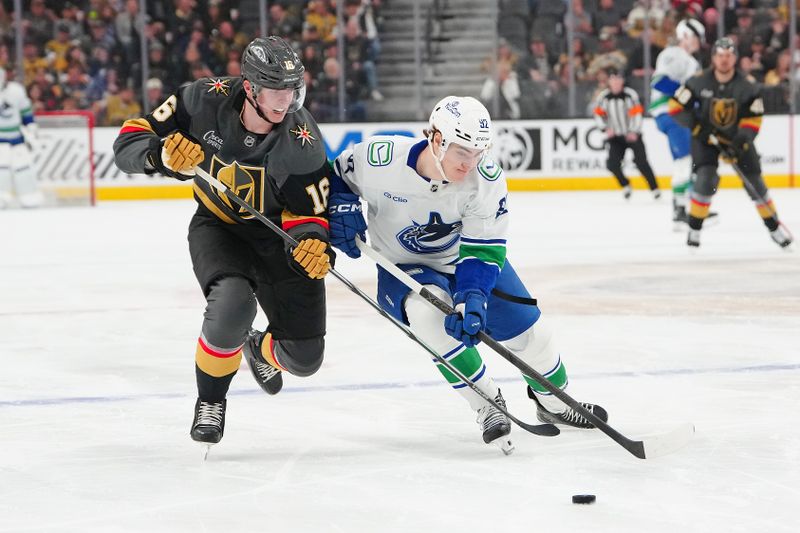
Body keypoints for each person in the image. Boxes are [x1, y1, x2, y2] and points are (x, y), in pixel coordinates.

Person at [327, 96, 608, 453]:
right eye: (463, 152)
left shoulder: (485, 180)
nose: (471, 162)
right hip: (404, 267)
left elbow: (483, 249)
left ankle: (554, 402)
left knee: (533, 336)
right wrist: (342, 204)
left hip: (465, 261)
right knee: (428, 317)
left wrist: (472, 296)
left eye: (479, 152)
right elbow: (336, 175)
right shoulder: (380, 158)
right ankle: (488, 404)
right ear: (436, 139)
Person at [113, 37, 335, 448]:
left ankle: (256, 347)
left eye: (292, 89)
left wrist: (311, 242)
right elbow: (128, 140)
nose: (286, 101)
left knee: (304, 358)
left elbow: (310, 213)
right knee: (232, 304)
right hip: (219, 227)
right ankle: (211, 400)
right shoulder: (201, 100)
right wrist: (160, 156)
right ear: (249, 87)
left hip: (276, 237)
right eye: (276, 90)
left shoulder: (302, 138)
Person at [669, 37, 793, 249]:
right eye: (720, 56)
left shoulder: (748, 86)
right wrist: (698, 127)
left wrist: (740, 142)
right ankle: (694, 229)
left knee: (755, 184)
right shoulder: (698, 81)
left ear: (734, 58)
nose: (724, 60)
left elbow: (754, 119)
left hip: (737, 140)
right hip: (706, 139)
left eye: (728, 55)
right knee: (706, 180)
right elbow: (675, 108)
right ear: (713, 58)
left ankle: (774, 228)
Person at [649, 18, 706, 228]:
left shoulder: (691, 61)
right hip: (671, 113)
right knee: (685, 160)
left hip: (679, 114)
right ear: (686, 35)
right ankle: (682, 211)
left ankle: (683, 210)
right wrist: (687, 96)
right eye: (697, 38)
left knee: (684, 162)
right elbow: (660, 82)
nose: (699, 43)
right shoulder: (673, 54)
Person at [593, 68, 659, 200]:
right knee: (612, 164)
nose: (616, 82)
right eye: (613, 79)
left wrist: (634, 131)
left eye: (618, 79)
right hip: (616, 137)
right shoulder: (604, 97)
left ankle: (654, 188)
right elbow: (598, 115)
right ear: (609, 81)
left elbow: (637, 114)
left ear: (622, 81)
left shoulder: (630, 95)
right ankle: (626, 185)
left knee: (641, 162)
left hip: (632, 136)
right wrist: (605, 129)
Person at [0, 66, 44, 208]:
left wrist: (31, 127)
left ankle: (29, 195)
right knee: (2, 168)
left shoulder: (16, 91)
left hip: (17, 138)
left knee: (23, 167)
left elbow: (25, 111)